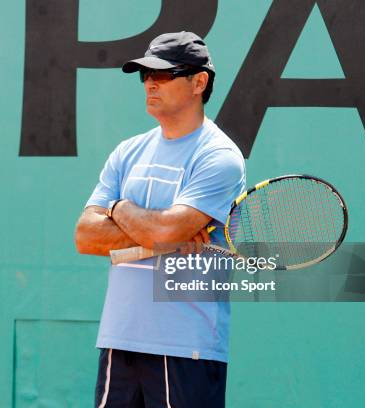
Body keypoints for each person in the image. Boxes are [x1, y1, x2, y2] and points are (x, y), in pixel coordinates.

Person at [75, 31, 246, 408]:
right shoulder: (127, 151)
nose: (150, 83)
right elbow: (85, 236)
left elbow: (167, 230)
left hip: (187, 346)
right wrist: (151, 232)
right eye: (145, 75)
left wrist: (118, 209)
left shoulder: (219, 157)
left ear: (199, 82)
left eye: (164, 74)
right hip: (120, 341)